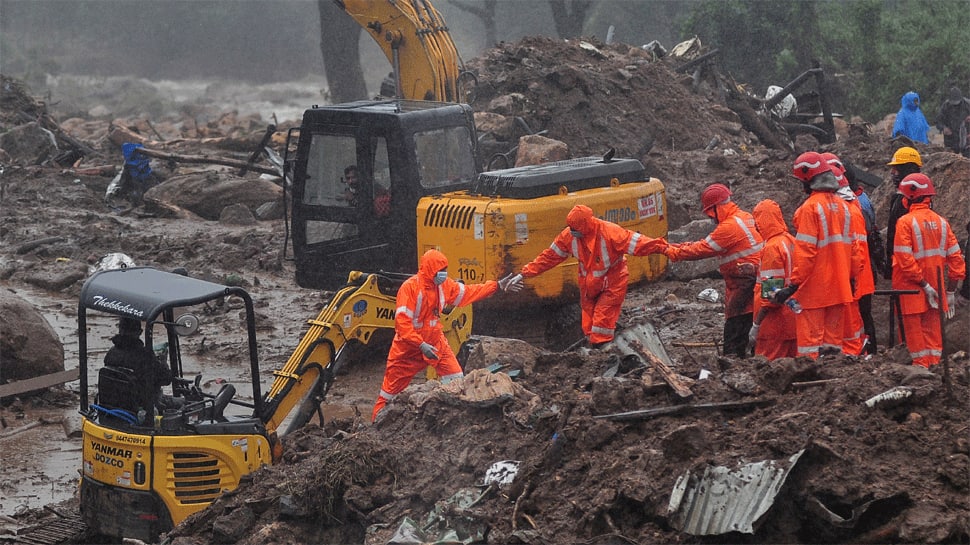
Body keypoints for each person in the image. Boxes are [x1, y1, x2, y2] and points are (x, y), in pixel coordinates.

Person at [371, 249, 521, 421]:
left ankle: (454, 421)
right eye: (440, 269)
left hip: (435, 342)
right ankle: (374, 428)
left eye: (445, 268)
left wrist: (497, 285)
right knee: (388, 395)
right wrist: (420, 344)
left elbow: (468, 293)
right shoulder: (410, 289)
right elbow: (402, 324)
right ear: (429, 269)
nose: (443, 273)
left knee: (456, 380)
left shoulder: (444, 286)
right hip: (407, 349)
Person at [515, 204, 668, 348]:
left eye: (576, 229)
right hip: (589, 285)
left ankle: (602, 350)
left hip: (613, 281)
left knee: (602, 324)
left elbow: (641, 244)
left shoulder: (610, 233)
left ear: (586, 226)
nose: (573, 232)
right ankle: (596, 350)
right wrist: (525, 273)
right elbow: (549, 257)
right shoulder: (570, 236)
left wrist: (668, 249)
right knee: (588, 324)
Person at [772, 152, 863, 360]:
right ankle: (832, 384)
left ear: (807, 178)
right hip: (839, 289)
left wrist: (793, 286)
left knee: (809, 350)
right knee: (833, 348)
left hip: (813, 292)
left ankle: (811, 382)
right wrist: (849, 279)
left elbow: (805, 253)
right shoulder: (845, 208)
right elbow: (855, 252)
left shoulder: (809, 209)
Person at [663, 184, 764, 358]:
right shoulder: (744, 217)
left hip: (744, 283)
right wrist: (678, 246)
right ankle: (747, 356)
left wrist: (670, 251)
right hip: (752, 279)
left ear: (717, 208)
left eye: (710, 213)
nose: (711, 219)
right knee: (750, 324)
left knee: (736, 327)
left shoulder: (728, 228)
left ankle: (734, 360)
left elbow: (701, 249)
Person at [891, 173, 966, 367]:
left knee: (915, 346)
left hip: (911, 292)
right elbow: (957, 261)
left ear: (909, 198)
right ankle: (934, 374)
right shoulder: (942, 223)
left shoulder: (905, 223)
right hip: (936, 294)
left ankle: (920, 377)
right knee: (934, 344)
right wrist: (949, 291)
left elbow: (905, 261)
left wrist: (924, 284)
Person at [824, 152, 874, 356]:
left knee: (854, 324)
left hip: (850, 278)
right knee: (861, 323)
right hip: (859, 277)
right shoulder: (854, 204)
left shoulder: (844, 208)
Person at [748, 199, 797, 360]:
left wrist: (756, 324)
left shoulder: (771, 248)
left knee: (768, 371)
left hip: (774, 327)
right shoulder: (790, 240)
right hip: (794, 320)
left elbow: (772, 295)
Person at [844, 164, 885, 354]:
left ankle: (867, 351)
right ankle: (871, 351)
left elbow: (867, 235)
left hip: (858, 267)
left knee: (860, 314)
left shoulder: (854, 203)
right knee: (865, 314)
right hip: (865, 266)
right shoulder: (863, 199)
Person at [102, 317, 173, 413]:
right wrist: (163, 363)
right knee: (184, 404)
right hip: (141, 406)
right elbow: (165, 379)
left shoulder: (111, 353)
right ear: (140, 332)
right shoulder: (144, 356)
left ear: (120, 329)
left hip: (114, 403)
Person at [883, 146, 923, 280]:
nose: (893, 173)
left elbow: (899, 237)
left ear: (908, 169)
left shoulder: (908, 200)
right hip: (906, 266)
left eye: (896, 169)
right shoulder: (909, 197)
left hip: (907, 268)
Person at [935, 86, 970, 155]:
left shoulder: (968, 105)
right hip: (951, 140)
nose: (955, 105)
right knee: (951, 160)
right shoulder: (945, 106)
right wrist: (944, 128)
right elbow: (938, 121)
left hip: (966, 138)